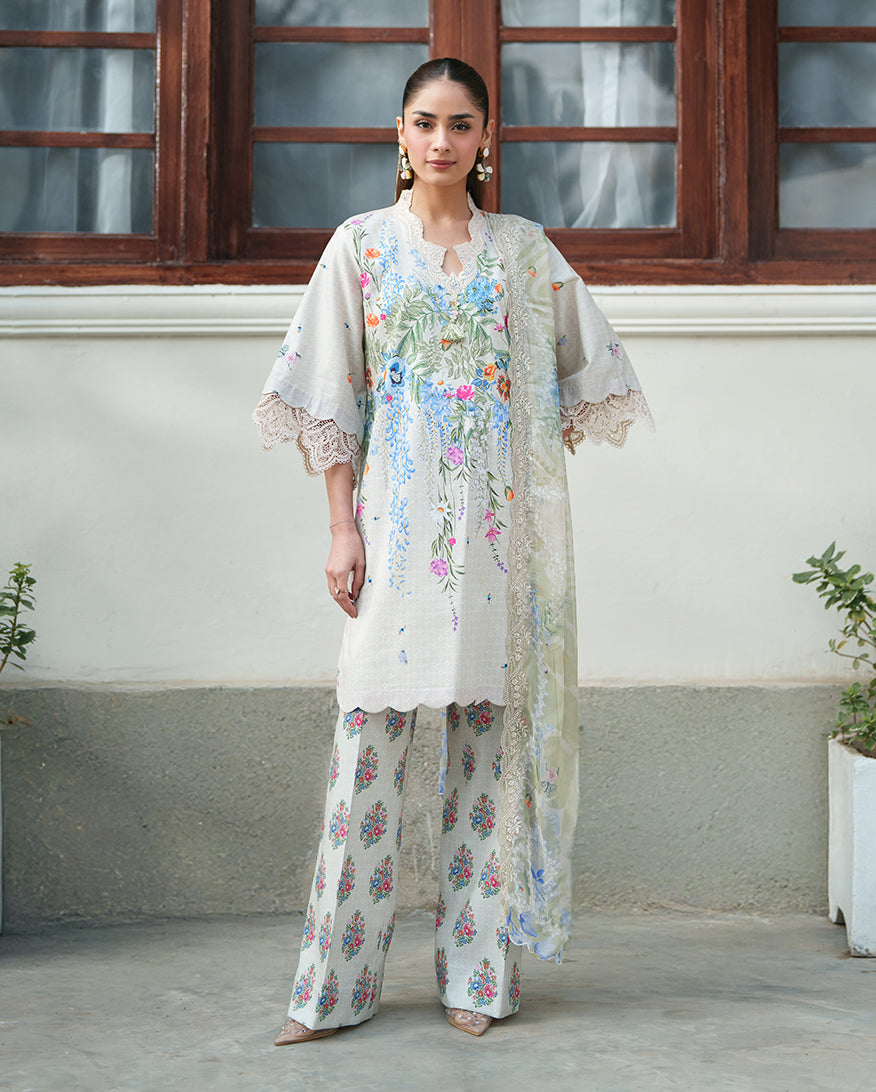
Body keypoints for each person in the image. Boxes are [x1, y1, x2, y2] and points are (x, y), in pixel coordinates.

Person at [253, 57, 652, 1043]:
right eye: (426, 122)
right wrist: (342, 526)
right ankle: (329, 991)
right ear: (399, 133)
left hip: (499, 549)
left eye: (461, 123)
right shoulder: (360, 247)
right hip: (393, 536)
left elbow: (585, 372)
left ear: (485, 138)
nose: (442, 140)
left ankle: (479, 979)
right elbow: (330, 394)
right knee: (366, 757)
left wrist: (521, 442)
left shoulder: (520, 252)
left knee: (489, 760)